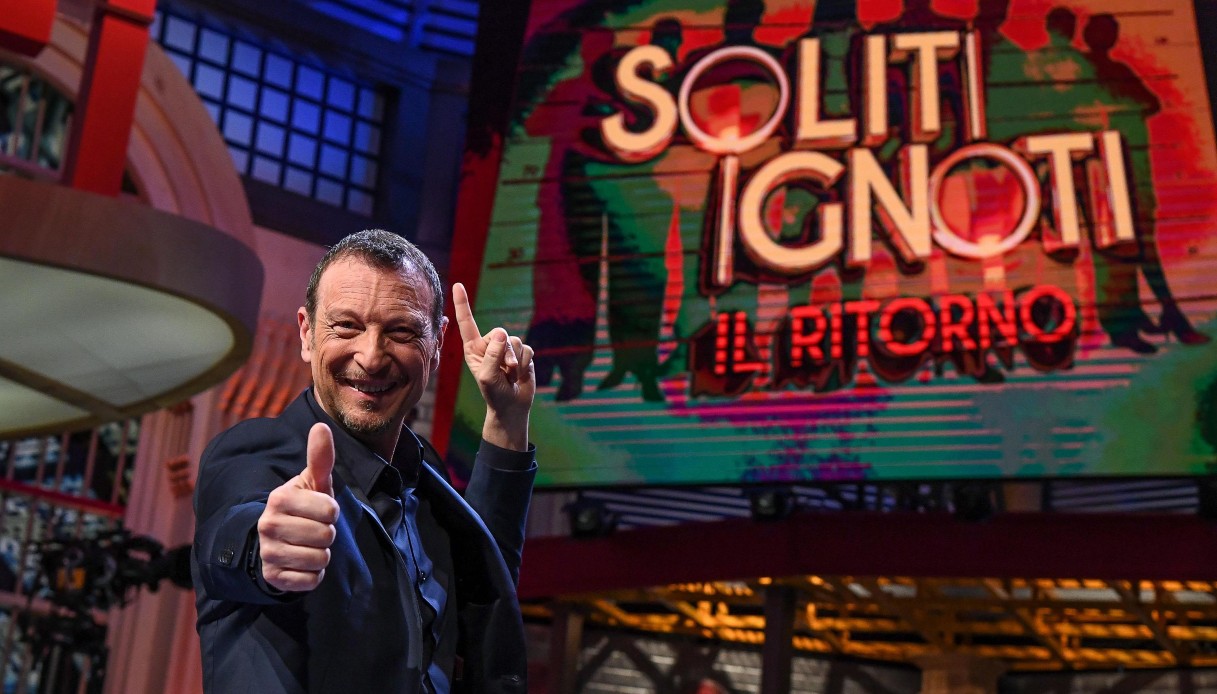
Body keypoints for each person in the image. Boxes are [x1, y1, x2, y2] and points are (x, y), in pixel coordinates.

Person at [191, 229, 537, 693]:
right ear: (307, 333)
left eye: (401, 331)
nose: (372, 357)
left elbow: (486, 584)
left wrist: (507, 419)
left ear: (437, 343)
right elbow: (234, 533)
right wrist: (264, 548)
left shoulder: (423, 476)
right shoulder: (261, 452)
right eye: (346, 327)